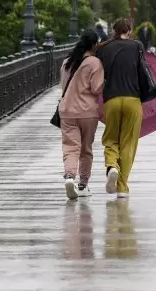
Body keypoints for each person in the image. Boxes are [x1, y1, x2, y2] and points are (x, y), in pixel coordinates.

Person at [96, 18, 146, 199]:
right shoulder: (137, 46)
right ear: (130, 30)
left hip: (112, 100)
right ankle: (122, 187)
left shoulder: (102, 49)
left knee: (110, 139)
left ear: (113, 30)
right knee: (128, 143)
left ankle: (111, 166)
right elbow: (142, 72)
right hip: (133, 100)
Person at [59, 30, 104, 199]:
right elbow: (96, 88)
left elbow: (63, 86)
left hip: (67, 111)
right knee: (86, 149)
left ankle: (69, 176)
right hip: (87, 112)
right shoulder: (94, 63)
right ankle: (83, 185)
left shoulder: (66, 62)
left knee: (70, 147)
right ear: (94, 44)